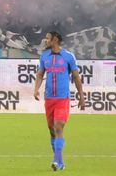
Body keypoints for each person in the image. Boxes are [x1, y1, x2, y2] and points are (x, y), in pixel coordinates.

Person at [33, 30, 87, 171]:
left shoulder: (68, 57)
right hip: (49, 99)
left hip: (62, 99)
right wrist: (36, 89)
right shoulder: (44, 56)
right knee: (52, 131)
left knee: (58, 126)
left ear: (55, 40)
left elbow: (76, 77)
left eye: (48, 38)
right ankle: (60, 161)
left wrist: (82, 97)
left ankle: (56, 162)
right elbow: (40, 74)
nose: (45, 41)